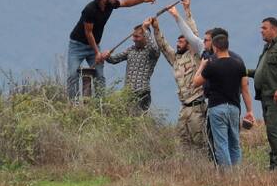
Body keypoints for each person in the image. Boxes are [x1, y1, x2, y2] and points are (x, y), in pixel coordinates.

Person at [67, 0, 155, 98]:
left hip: (94, 45)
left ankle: (100, 104)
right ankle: (73, 103)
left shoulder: (111, 4)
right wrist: (97, 52)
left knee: (99, 75)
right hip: (77, 46)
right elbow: (88, 33)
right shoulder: (90, 10)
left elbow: (126, 3)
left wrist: (143, 0)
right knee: (73, 74)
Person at [192, 29, 254, 167]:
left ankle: (227, 177)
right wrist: (250, 111)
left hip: (217, 108)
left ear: (215, 46)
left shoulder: (212, 65)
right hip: (234, 108)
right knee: (234, 143)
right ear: (227, 46)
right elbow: (245, 89)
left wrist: (202, 66)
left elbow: (195, 82)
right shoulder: (239, 64)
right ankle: (236, 174)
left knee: (221, 144)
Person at [246, 17, 277, 170]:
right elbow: (263, 72)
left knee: (274, 129)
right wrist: (244, 72)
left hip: (276, 95)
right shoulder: (267, 48)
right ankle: (274, 164)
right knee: (270, 130)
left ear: (274, 29)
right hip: (265, 95)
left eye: (264, 28)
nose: (261, 31)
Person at [156, 9, 208, 153]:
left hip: (197, 106)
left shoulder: (195, 56)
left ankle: (205, 170)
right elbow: (163, 46)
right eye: (177, 41)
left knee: (200, 142)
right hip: (184, 107)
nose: (178, 44)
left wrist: (187, 13)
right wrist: (156, 28)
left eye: (181, 41)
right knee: (183, 142)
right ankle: (189, 170)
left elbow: (194, 36)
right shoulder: (176, 59)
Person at [106, 19, 161, 112]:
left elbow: (154, 48)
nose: (133, 39)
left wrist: (145, 28)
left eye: (137, 37)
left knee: (137, 119)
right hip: (128, 94)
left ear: (145, 37)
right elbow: (114, 60)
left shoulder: (151, 52)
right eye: (133, 36)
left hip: (142, 93)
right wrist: (106, 56)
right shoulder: (131, 49)